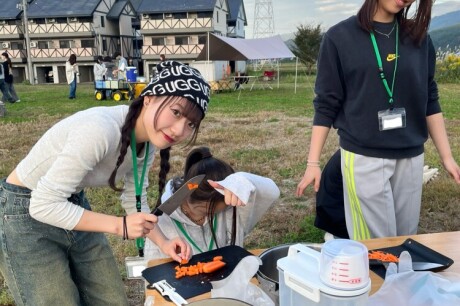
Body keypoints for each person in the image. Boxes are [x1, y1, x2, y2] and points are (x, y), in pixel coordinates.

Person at [0, 60, 211, 305]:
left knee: (112, 300)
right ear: (149, 97)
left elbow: (136, 200)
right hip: (23, 210)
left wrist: (164, 243)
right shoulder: (100, 130)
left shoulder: (148, 142)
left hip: (70, 201)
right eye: (176, 112)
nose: (178, 130)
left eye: (191, 124)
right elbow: (42, 205)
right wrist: (120, 225)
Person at [296, 0, 460, 240]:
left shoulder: (419, 39)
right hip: (363, 157)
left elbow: (430, 98)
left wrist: (447, 157)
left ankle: (399, 278)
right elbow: (326, 103)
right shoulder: (339, 38)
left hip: (411, 157)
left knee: (405, 241)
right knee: (375, 248)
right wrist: (313, 163)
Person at [144, 146, 280, 259]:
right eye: (219, 209)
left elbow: (272, 192)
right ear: (201, 203)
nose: (229, 207)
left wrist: (240, 180)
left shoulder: (231, 206)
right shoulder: (162, 223)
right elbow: (152, 268)